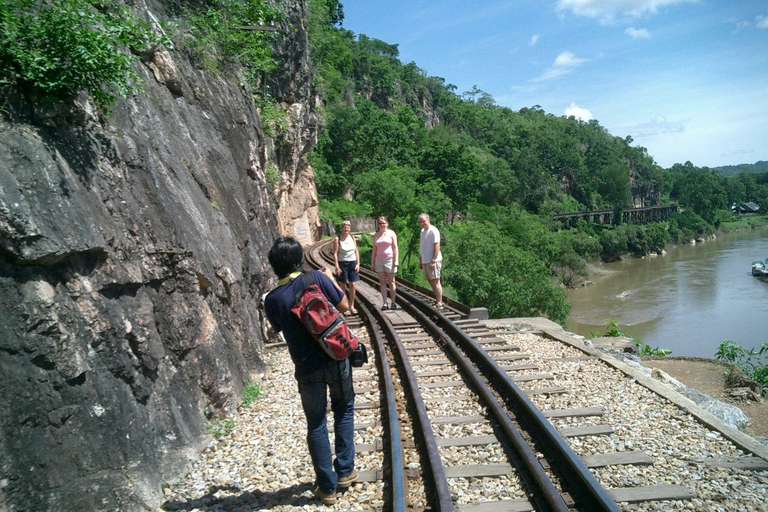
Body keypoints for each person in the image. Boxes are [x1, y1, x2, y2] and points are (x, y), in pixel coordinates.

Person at [263, 237, 357, 506]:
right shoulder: (316, 277)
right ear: (299, 259)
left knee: (316, 423)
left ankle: (327, 488)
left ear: (274, 267)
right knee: (344, 408)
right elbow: (343, 306)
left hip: (306, 367)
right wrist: (329, 277)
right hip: (335, 356)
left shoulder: (272, 299)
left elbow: (280, 329)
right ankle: (346, 472)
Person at [370, 216, 399, 310]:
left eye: (384, 223)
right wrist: (372, 262)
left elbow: (395, 247)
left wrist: (396, 260)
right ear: (378, 224)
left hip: (389, 259)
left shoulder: (391, 233)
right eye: (380, 223)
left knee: (391, 281)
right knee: (382, 282)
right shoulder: (376, 235)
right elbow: (374, 249)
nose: (382, 225)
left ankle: (393, 302)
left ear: (387, 224)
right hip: (379, 259)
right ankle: (385, 303)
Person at [332, 220, 360, 315]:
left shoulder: (352, 238)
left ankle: (352, 306)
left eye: (348, 227)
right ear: (342, 228)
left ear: (350, 229)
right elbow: (335, 253)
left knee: (353, 285)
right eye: (345, 227)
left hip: (352, 263)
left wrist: (358, 264)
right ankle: (344, 307)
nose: (346, 228)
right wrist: (336, 266)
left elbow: (356, 251)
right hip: (342, 264)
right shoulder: (337, 239)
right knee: (343, 286)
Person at [418, 213, 444, 310]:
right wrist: (421, 260)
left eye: (424, 221)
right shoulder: (422, 231)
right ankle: (438, 300)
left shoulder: (433, 230)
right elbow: (422, 246)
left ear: (428, 220)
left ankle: (439, 302)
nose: (422, 223)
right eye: (420, 222)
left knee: (435, 280)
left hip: (433, 260)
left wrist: (433, 260)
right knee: (430, 280)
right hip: (425, 260)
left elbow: (437, 246)